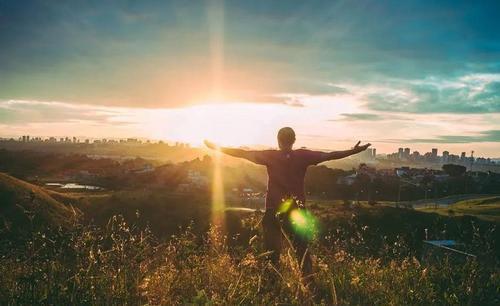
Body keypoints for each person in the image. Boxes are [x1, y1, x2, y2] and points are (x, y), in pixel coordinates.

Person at [204, 127, 370, 279]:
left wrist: (217, 147)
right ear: (294, 140)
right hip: (297, 209)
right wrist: (353, 151)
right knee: (302, 252)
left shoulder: (270, 156)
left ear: (278, 139)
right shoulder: (303, 156)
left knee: (272, 254)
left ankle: (272, 286)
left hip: (274, 209)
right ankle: (309, 286)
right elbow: (330, 155)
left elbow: (241, 153)